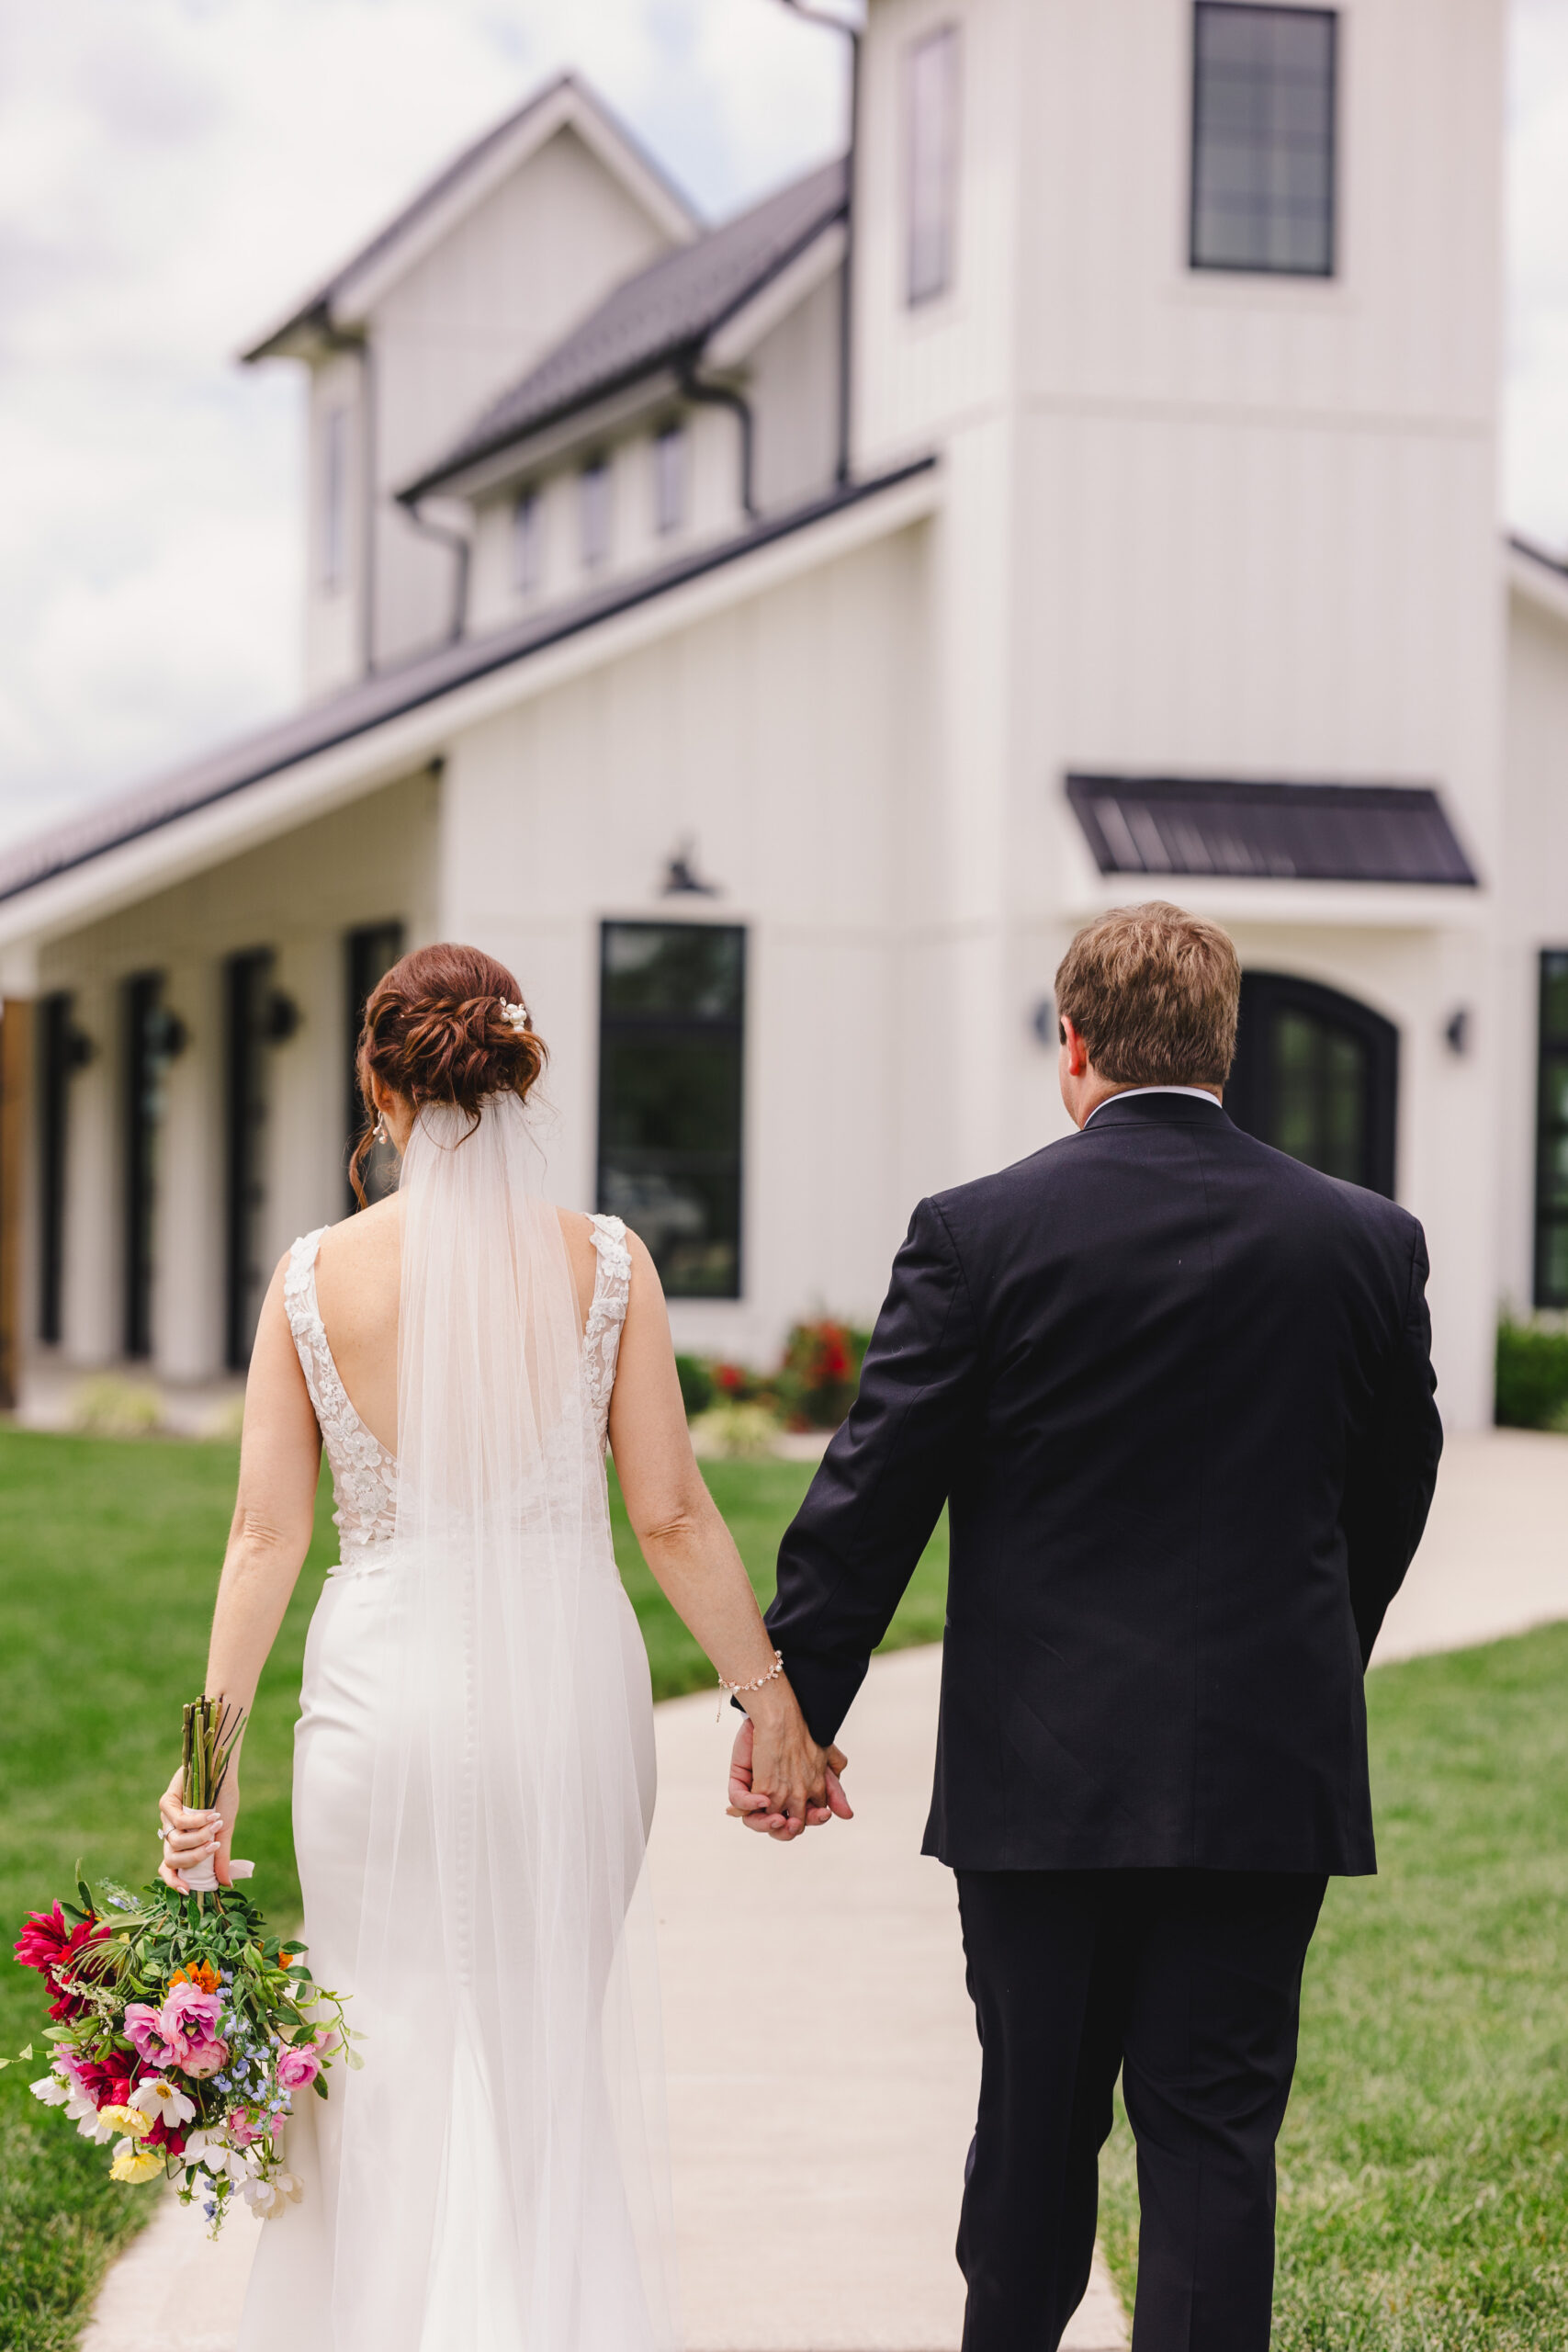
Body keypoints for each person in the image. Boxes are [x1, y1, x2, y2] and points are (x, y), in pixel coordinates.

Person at [733, 901, 1443, 2352]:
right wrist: (1310, 1658)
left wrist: (793, 1705)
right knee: (1213, 2146)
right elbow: (1395, 1490)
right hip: (1263, 1775)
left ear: (1073, 1048)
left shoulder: (979, 1234)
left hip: (1036, 1787)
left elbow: (878, 1488)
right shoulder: (1364, 1241)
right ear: (1224, 1052)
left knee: (1036, 2130)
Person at [156, 943, 847, 2352]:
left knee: (389, 2055)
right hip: (564, 1705)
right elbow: (667, 1514)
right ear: (519, 1067)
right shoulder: (608, 1264)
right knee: (537, 2063)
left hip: (379, 1702)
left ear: (376, 1079)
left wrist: (205, 1771)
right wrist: (770, 1701)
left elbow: (261, 1540)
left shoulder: (310, 1277)